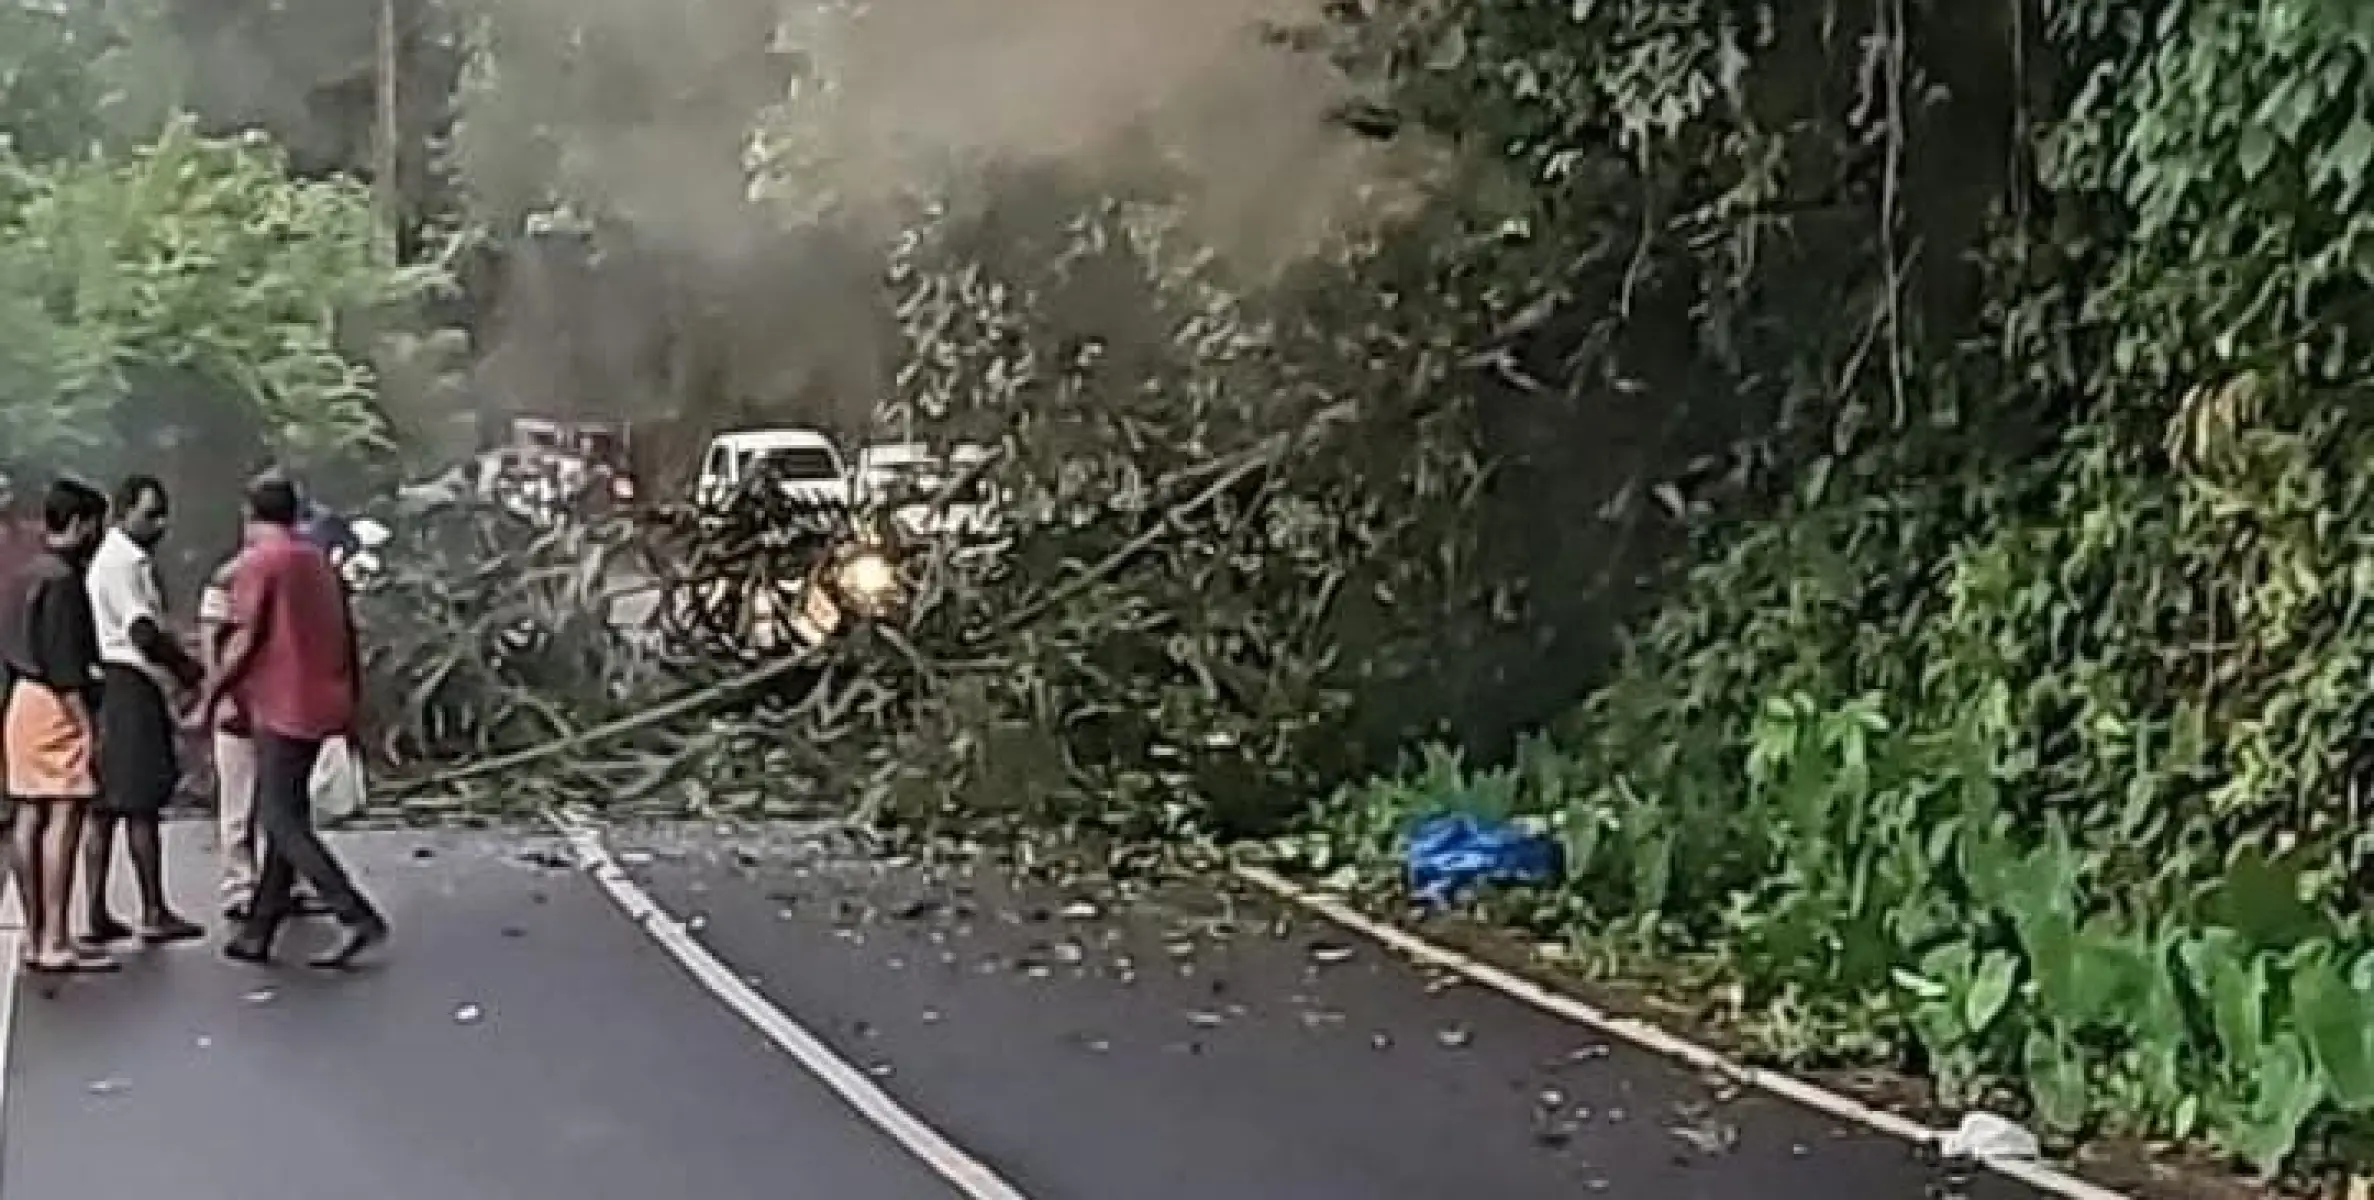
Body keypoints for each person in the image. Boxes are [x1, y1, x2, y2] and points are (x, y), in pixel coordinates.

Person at [196, 475, 386, 968]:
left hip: (282, 704)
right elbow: (347, 633)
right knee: (287, 812)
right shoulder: (315, 561)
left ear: (247, 514)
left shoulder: (261, 563)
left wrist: (209, 696)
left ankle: (356, 914)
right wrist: (354, 703)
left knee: (280, 818)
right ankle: (259, 930)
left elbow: (244, 640)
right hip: (324, 699)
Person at [80, 476, 206, 946]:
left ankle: (96, 910)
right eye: (150, 514)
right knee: (139, 803)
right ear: (124, 511)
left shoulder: (115, 561)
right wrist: (188, 671)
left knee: (107, 806)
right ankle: (153, 909)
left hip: (114, 682)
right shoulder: (123, 563)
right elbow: (142, 632)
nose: (160, 524)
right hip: (130, 681)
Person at [2, 480, 114, 973]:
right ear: (83, 523)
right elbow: (67, 662)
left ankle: (33, 933)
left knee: (28, 814)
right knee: (65, 816)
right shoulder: (64, 580)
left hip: (21, 698)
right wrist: (87, 727)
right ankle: (55, 938)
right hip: (54, 701)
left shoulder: (24, 573)